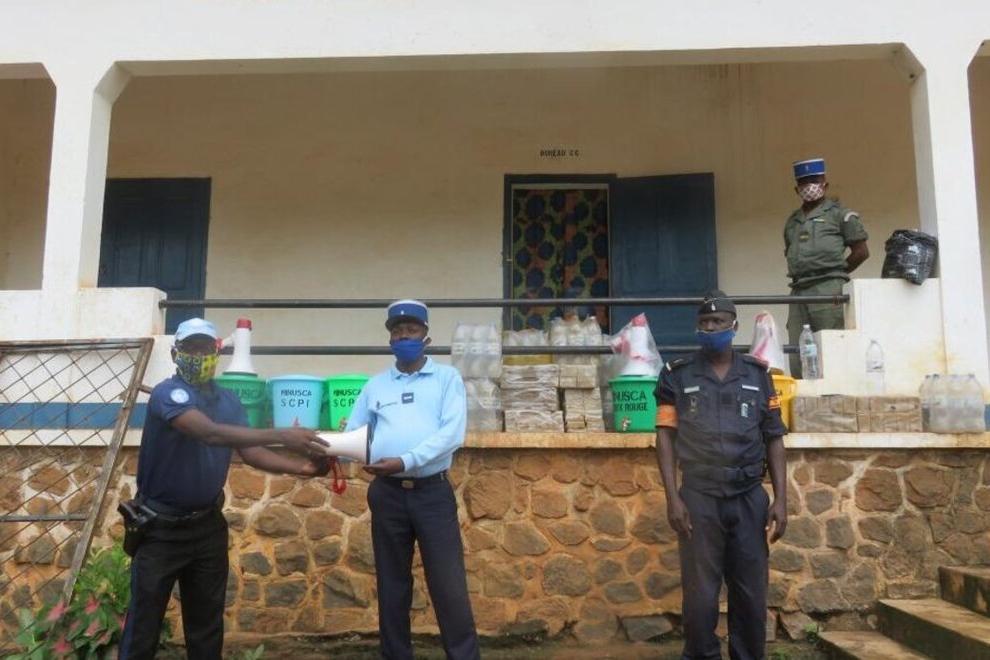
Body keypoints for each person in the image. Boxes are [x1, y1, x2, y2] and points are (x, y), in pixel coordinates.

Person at [119, 318, 331, 660]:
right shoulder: (167, 394)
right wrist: (282, 434)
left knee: (206, 627)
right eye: (190, 348)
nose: (199, 355)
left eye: (206, 348)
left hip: (206, 529)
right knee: (143, 627)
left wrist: (303, 468)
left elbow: (252, 452)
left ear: (216, 353)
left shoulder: (228, 401)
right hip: (159, 529)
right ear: (175, 354)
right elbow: (209, 433)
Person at [653, 291, 788, 660]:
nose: (711, 328)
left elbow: (774, 438)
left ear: (734, 326)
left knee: (750, 595)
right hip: (699, 499)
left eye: (718, 322)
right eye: (705, 322)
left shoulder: (759, 376)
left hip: (748, 498)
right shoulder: (676, 375)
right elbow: (665, 437)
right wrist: (673, 498)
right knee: (700, 597)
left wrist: (781, 500)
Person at [345, 299, 480, 660]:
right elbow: (354, 434)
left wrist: (405, 460)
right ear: (390, 340)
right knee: (392, 586)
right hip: (387, 495)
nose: (404, 336)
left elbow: (451, 435)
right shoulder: (376, 386)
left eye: (412, 330)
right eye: (398, 331)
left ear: (426, 337)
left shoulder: (447, 379)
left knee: (449, 587)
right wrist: (323, 445)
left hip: (432, 494)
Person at [784, 158, 869, 376]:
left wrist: (836, 274)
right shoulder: (792, 222)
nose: (809, 186)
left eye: (814, 180)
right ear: (796, 189)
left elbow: (861, 252)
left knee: (831, 346)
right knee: (797, 347)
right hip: (798, 289)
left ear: (825, 185)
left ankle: (836, 389)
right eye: (804, 182)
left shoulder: (841, 215)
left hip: (828, 288)